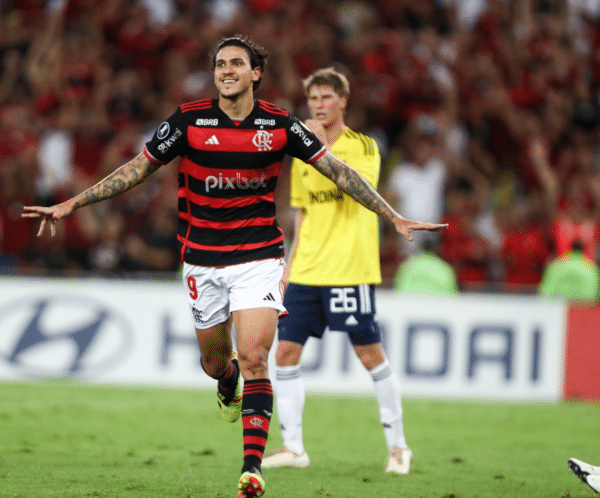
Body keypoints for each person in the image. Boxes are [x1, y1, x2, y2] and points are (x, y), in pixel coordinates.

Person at [23, 36, 446, 498]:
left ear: (255, 73)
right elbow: (137, 168)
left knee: (255, 359)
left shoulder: (279, 124)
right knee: (216, 363)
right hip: (201, 259)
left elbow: (339, 172)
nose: (226, 70)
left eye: (236, 63)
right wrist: (74, 203)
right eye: (220, 64)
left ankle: (251, 470)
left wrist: (392, 215)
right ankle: (227, 385)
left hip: (258, 257)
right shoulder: (189, 119)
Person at [260, 68, 413, 475]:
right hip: (307, 271)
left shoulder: (363, 146)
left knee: (369, 355)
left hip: (348, 269)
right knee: (285, 353)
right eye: (313, 99)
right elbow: (302, 212)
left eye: (326, 97)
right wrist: (288, 266)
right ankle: (294, 448)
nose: (318, 105)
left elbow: (354, 186)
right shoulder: (301, 153)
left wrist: (320, 143)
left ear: (343, 101)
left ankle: (398, 447)